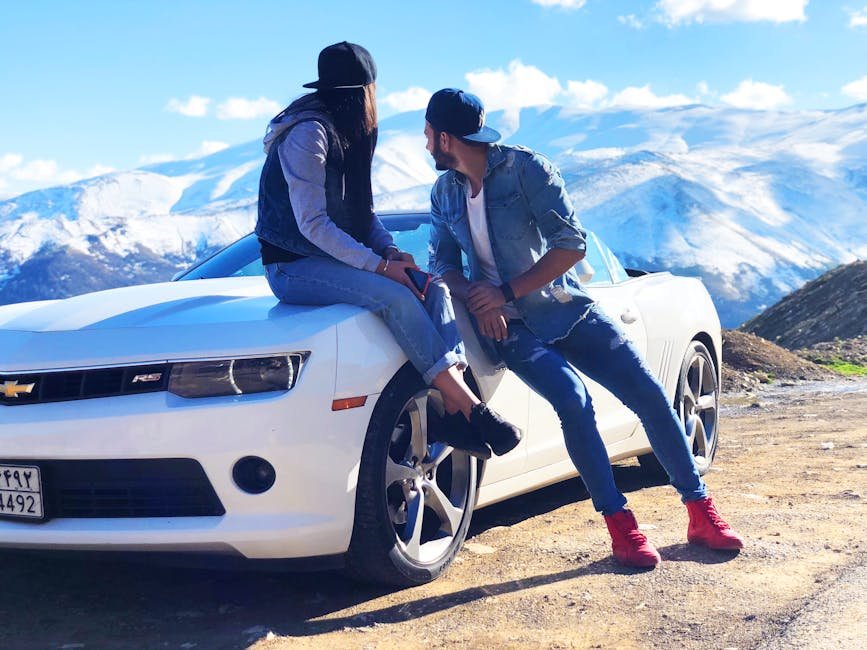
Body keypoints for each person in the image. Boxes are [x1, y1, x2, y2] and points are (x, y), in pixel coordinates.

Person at [423, 88, 743, 568]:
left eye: (428, 136)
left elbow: (572, 246)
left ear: (446, 137)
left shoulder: (526, 169)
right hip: (509, 329)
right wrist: (478, 297)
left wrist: (505, 291)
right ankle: (621, 527)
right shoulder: (444, 193)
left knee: (650, 394)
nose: (426, 145)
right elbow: (442, 264)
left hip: (566, 308)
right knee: (574, 402)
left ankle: (701, 512)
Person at [255, 44, 520, 458]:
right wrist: (379, 267)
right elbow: (313, 225)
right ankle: (470, 407)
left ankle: (453, 408)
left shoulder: (348, 133)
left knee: (433, 288)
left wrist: (391, 253)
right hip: (293, 265)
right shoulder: (309, 134)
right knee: (395, 294)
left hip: (336, 260)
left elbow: (362, 214)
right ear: (364, 91)